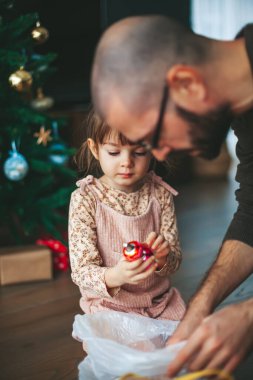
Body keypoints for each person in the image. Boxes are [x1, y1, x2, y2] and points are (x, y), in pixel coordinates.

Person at [90, 15, 253, 376]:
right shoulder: (244, 107)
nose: (161, 155)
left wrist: (248, 314)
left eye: (153, 136)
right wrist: (200, 308)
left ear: (186, 83)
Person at [68, 109, 185, 325]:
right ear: (95, 149)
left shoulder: (160, 194)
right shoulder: (86, 199)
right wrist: (117, 276)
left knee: (188, 346)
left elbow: (175, 260)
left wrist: (162, 259)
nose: (127, 162)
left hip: (159, 303)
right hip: (110, 307)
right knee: (132, 354)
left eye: (139, 152)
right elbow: (81, 271)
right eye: (114, 153)